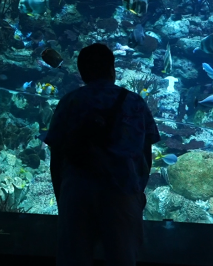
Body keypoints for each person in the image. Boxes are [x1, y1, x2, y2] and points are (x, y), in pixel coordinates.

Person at [45, 43, 161, 266]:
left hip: (77, 191)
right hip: (122, 192)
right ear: (112, 69)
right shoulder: (134, 102)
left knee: (73, 260)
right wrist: (137, 192)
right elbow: (145, 154)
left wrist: (63, 196)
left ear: (82, 72)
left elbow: (56, 154)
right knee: (122, 259)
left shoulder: (69, 102)